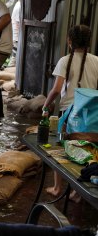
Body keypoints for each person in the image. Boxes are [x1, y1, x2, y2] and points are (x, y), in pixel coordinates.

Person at [42, 24, 98, 200]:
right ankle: (77, 191)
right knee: (88, 149)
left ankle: (58, 188)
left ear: (69, 41)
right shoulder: (96, 60)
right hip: (92, 112)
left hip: (69, 112)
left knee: (62, 148)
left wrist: (46, 105)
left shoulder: (65, 60)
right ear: (89, 42)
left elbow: (57, 89)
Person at [8, 0, 23, 68]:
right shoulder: (19, 6)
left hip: (16, 35)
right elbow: (18, 23)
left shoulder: (19, 4)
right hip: (16, 35)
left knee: (15, 56)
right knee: (14, 57)